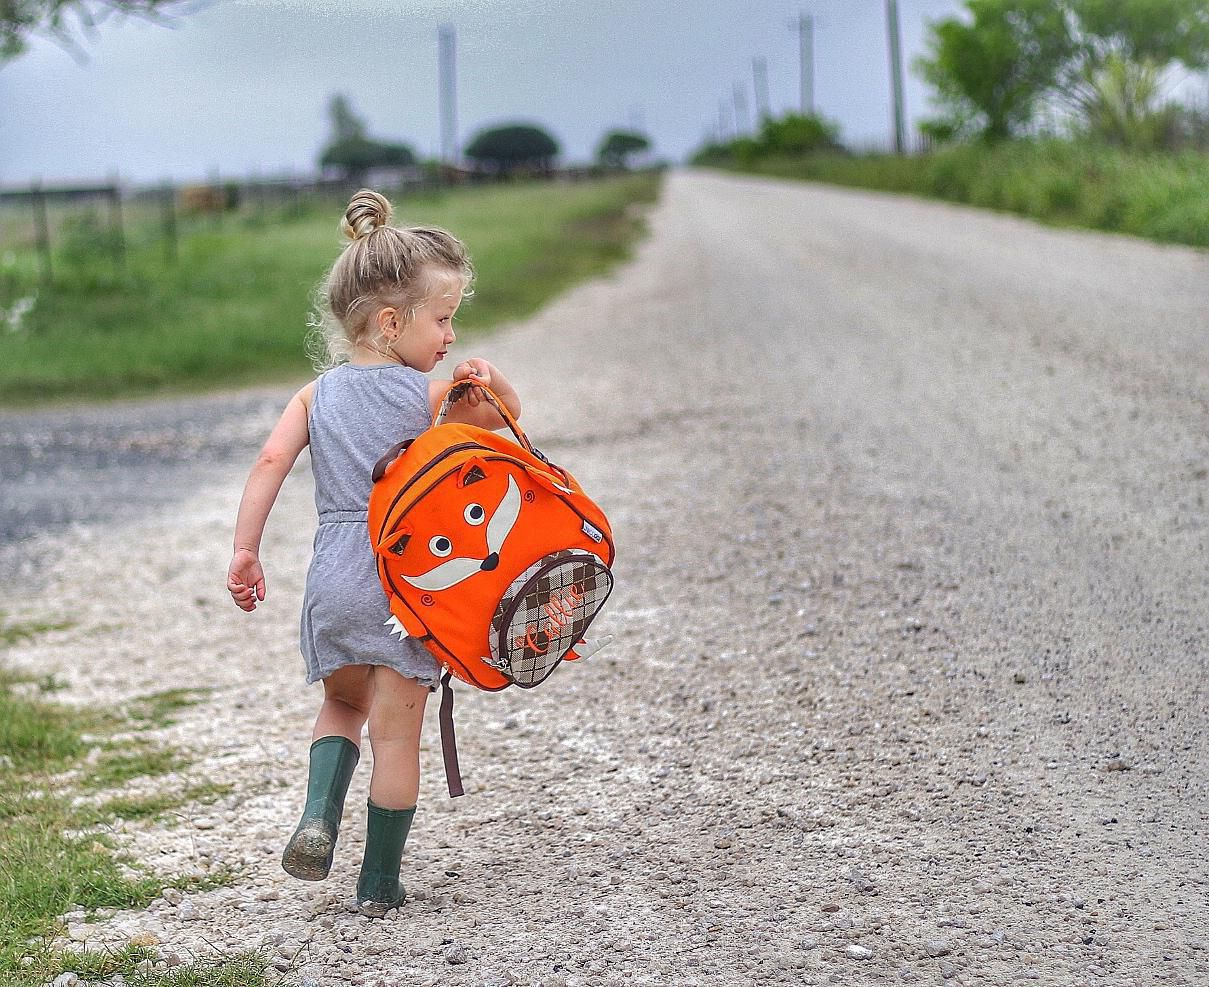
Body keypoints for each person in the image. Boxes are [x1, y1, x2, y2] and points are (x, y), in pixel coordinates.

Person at [225, 189, 521, 916]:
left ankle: (317, 817)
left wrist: (245, 550)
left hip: (336, 579)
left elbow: (269, 462)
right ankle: (379, 883)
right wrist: (484, 379)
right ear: (392, 323)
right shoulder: (428, 398)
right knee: (398, 739)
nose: (450, 335)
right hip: (405, 584)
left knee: (340, 703)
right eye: (442, 319)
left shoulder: (313, 396)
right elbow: (507, 421)